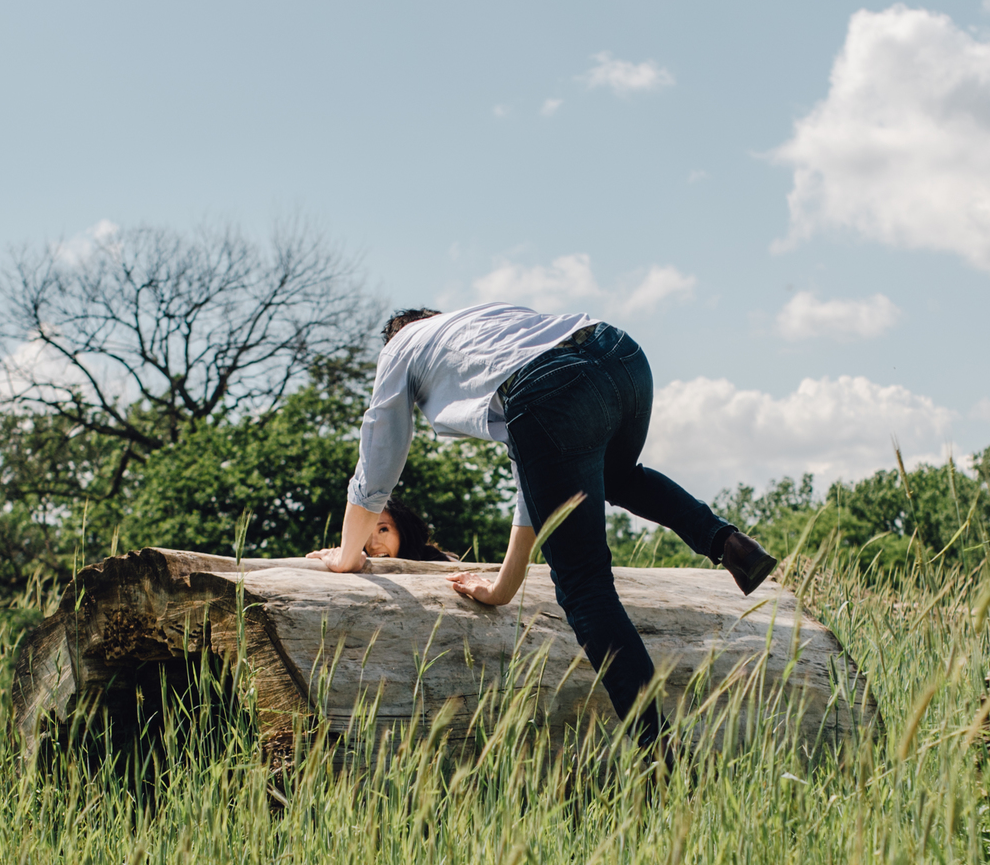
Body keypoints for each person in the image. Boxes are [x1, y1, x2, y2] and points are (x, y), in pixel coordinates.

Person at [312, 304, 775, 747]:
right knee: (615, 476)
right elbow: (535, 483)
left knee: (584, 587)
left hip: (552, 386)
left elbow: (379, 457)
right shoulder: (488, 324)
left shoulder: (403, 345)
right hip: (620, 354)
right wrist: (501, 589)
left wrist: (347, 556)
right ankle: (730, 544)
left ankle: (661, 754)